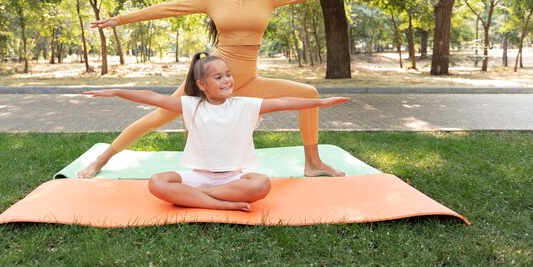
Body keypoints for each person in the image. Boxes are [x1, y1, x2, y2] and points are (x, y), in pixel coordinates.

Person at [79, 0, 395, 179]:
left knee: (308, 95)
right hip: (217, 77)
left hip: (249, 80)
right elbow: (166, 8)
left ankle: (312, 163)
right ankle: (101, 159)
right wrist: (118, 20)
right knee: (159, 116)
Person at [84, 52, 351, 212]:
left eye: (228, 75)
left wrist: (319, 102)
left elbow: (283, 103)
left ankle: (198, 200)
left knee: (262, 184)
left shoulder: (245, 105)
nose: (227, 81)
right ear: (201, 84)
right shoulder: (191, 105)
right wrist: (116, 91)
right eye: (218, 77)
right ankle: (220, 205)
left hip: (233, 179)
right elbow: (152, 96)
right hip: (197, 177)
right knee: (157, 182)